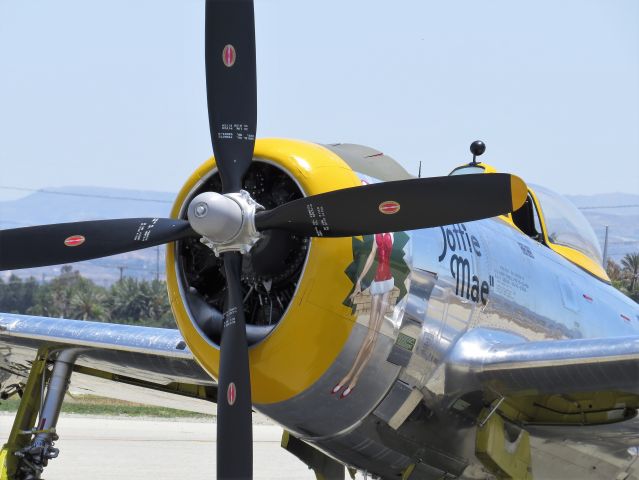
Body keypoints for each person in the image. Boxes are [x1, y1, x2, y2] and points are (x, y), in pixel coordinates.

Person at [332, 231, 394, 399]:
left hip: (388, 282)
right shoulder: (377, 235)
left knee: (374, 337)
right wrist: (360, 280)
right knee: (369, 336)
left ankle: (355, 378)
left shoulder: (393, 234)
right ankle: (349, 375)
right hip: (378, 282)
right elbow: (371, 257)